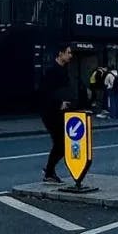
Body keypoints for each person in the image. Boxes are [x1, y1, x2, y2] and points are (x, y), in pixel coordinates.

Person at [39, 44, 74, 183]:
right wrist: (59, 103)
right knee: (61, 143)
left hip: (61, 112)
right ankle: (48, 172)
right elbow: (44, 93)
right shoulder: (51, 71)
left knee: (62, 143)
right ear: (60, 53)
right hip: (50, 112)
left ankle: (49, 170)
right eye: (69, 52)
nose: (71, 55)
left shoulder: (64, 70)